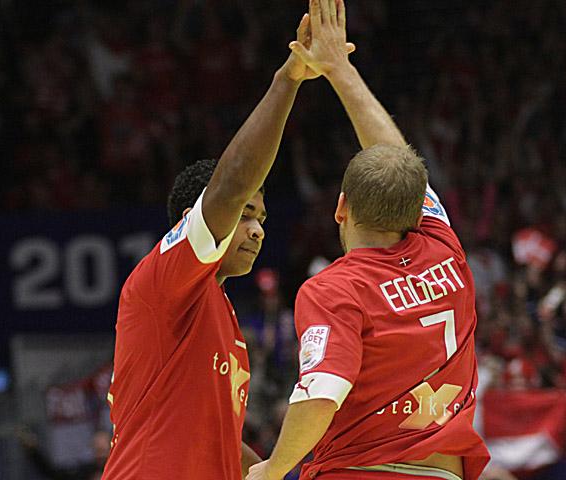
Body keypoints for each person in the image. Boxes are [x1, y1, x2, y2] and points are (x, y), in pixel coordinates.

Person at [101, 9, 355, 480]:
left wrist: (274, 470)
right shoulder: (161, 281)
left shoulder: (224, 317)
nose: (258, 231)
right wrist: (290, 78)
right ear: (190, 221)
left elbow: (217, 434)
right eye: (247, 215)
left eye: (262, 219)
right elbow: (232, 183)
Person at [247, 1, 490, 479]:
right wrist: (342, 70)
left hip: (363, 470)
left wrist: (275, 468)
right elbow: (399, 160)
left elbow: (323, 390)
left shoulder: (333, 290)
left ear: (340, 208)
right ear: (418, 206)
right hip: (445, 472)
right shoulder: (445, 248)